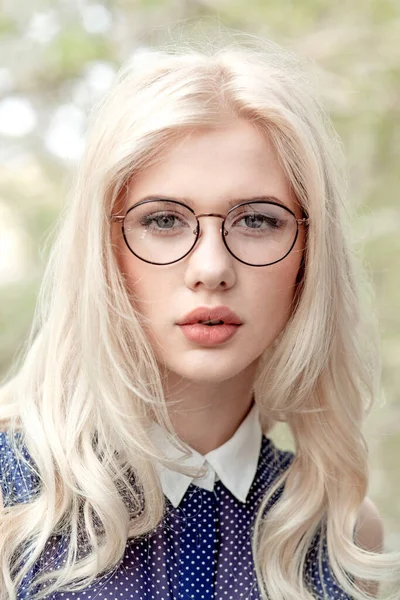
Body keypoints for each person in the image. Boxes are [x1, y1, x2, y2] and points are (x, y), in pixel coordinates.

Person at [0, 31, 399, 600]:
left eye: (257, 220)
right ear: (105, 250)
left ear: (310, 257)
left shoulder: (340, 532)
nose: (211, 268)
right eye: (163, 220)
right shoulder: (13, 499)